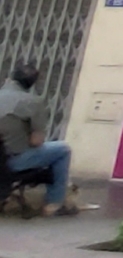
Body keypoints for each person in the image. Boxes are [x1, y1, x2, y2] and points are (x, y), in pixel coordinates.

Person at [0, 61, 74, 216]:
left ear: (11, 77)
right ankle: (53, 203)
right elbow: (36, 142)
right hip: (11, 161)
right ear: (33, 83)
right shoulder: (32, 102)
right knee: (62, 149)